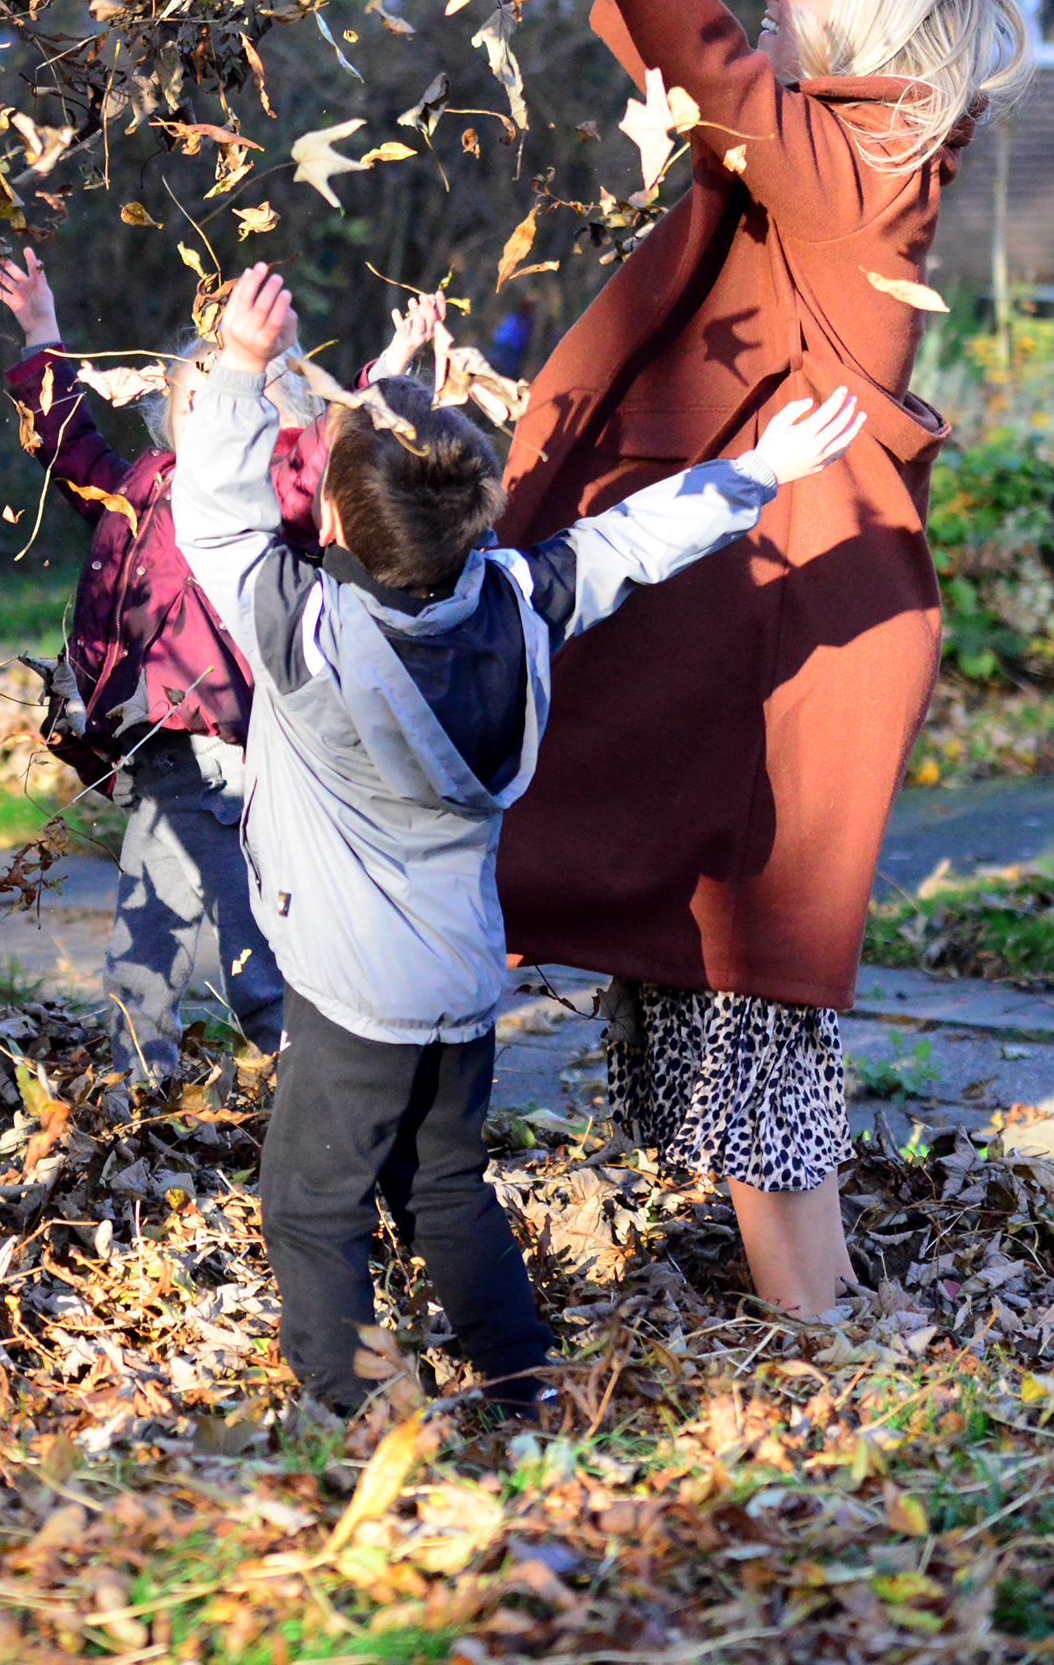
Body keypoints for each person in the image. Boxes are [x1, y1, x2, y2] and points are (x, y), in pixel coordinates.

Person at [501, 0, 1032, 1315]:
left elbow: (721, 78)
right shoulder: (826, 161)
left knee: (757, 985)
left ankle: (821, 1336)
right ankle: (815, 1311)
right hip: (741, 616)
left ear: (868, 25)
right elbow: (710, 94)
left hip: (787, 642)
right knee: (708, 961)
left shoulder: (870, 173)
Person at [176, 261, 867, 1413]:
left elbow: (217, 516)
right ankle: (527, 1388)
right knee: (444, 1189)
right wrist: (759, 470)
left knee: (310, 1208)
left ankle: (353, 1418)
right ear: (469, 520)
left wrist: (242, 369)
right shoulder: (516, 602)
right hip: (460, 980)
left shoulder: (304, 635)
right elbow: (632, 542)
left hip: (351, 991)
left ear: (333, 522)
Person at [0, 250, 439, 1079]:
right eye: (194, 395)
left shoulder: (275, 493)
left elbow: (340, 445)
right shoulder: (143, 485)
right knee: (152, 920)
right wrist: (42, 331)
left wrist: (390, 370)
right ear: (167, 411)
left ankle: (301, 1068)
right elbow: (68, 446)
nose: (208, 409)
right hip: (161, 747)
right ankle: (138, 1068)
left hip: (227, 747)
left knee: (245, 926)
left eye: (236, 394)